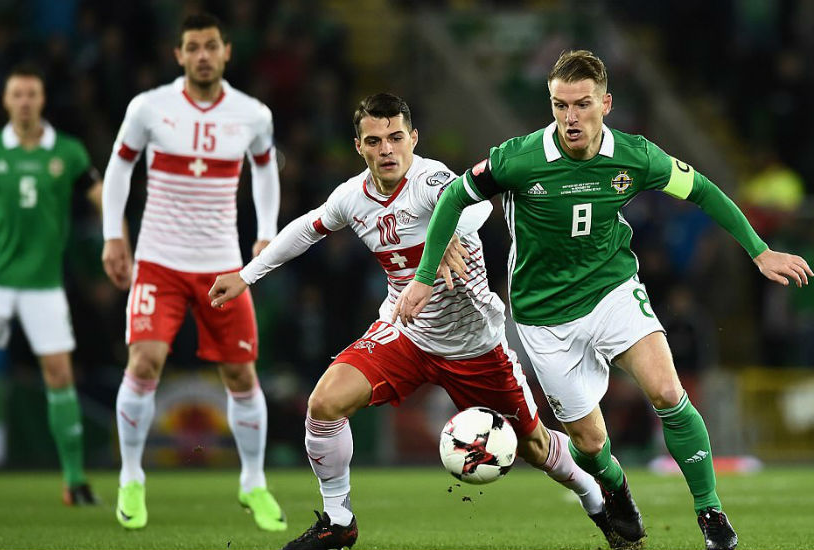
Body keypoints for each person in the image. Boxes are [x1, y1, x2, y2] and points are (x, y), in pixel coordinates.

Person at [394, 50, 813, 550]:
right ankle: (616, 490)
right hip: (544, 318)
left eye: (582, 104)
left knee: (667, 393)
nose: (570, 117)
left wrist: (759, 250)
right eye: (559, 105)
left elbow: (701, 190)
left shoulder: (636, 155)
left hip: (611, 291)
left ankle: (711, 514)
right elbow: (452, 198)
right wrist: (423, 275)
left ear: (606, 103)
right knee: (592, 445)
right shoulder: (517, 158)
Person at [209, 93, 622, 550]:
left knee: (536, 448)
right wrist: (246, 276)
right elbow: (308, 228)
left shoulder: (432, 180)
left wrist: (448, 229)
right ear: (359, 146)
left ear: (413, 139)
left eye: (396, 138)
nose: (386, 149)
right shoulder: (352, 197)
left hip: (475, 346)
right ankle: (338, 519)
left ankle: (595, 499)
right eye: (374, 140)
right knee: (324, 404)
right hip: (405, 334)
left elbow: (479, 206)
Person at [100, 13, 284, 531]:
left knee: (241, 374)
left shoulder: (252, 115)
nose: (202, 55)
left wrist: (266, 232)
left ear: (226, 51)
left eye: (210, 46)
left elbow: (266, 168)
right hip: (158, 260)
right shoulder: (148, 108)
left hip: (222, 264)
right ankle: (131, 476)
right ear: (178, 55)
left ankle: (253, 483)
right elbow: (119, 167)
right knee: (144, 363)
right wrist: (115, 234)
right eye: (192, 47)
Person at [0, 65, 101, 505]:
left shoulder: (68, 152)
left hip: (43, 285)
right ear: (6, 101)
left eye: (31, 94)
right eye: (17, 94)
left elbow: (98, 192)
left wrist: (117, 236)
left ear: (41, 100)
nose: (24, 101)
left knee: (60, 375)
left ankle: (74, 480)